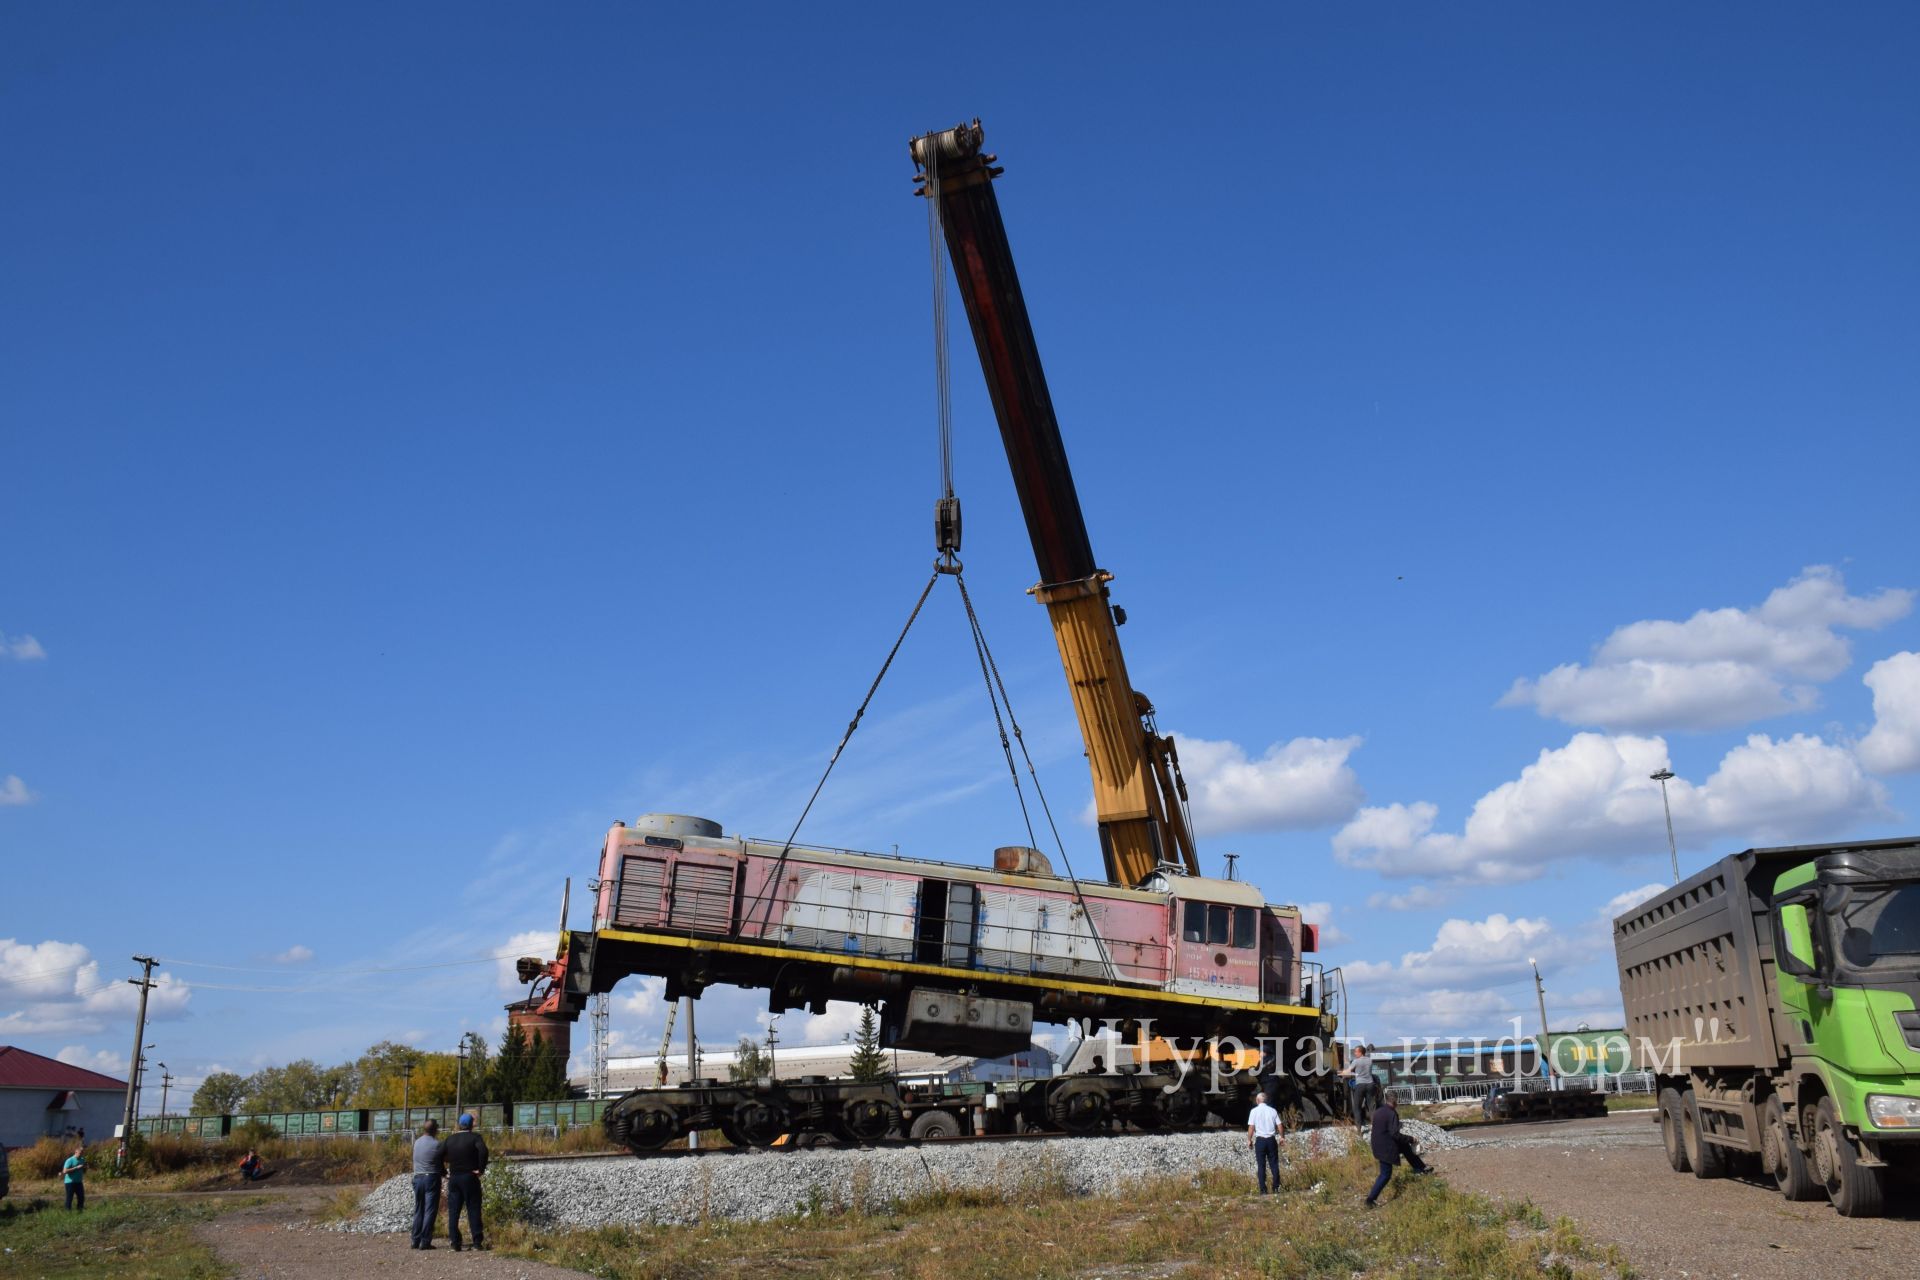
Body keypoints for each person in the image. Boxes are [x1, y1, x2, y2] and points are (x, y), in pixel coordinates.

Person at [1363, 1093, 1431, 1208]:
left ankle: (1420, 1168)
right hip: (1385, 1148)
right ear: (1395, 1102)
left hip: (1377, 1145)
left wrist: (1406, 1140)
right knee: (1385, 1174)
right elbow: (1394, 1134)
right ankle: (1370, 1200)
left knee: (1405, 1147)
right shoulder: (1392, 1113)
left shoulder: (1379, 1111)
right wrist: (1411, 1138)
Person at [443, 1112, 489, 1251]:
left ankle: (455, 1242)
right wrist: (480, 1169)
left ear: (459, 1125)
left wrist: (444, 1172)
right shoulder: (475, 1138)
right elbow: (484, 1151)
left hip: (454, 1178)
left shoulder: (450, 1139)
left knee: (454, 1211)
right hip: (470, 1177)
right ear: (471, 1125)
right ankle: (476, 1242)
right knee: (473, 1209)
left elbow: (438, 1154)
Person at [410, 1118, 445, 1250]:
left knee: (419, 1209)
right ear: (435, 1129)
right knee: (430, 1210)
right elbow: (440, 1162)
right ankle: (425, 1241)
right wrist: (445, 1173)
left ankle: (415, 1240)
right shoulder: (437, 1144)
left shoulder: (417, 1142)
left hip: (417, 1178)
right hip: (431, 1178)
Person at [1246, 1091, 1284, 1194]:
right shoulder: (1272, 1111)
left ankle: (1263, 1190)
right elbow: (1280, 1125)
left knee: (1261, 1165)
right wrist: (1281, 1137)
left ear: (1257, 1100)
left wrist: (1249, 1139)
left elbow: (1251, 1127)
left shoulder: (1254, 1111)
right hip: (1271, 1140)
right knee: (1274, 1164)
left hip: (1260, 1141)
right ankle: (1276, 1188)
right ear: (1266, 1101)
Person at [1340, 1043, 1377, 1131]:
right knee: (1371, 1107)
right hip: (1370, 1084)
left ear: (1360, 1052)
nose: (1355, 1053)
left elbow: (1348, 1071)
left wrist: (1341, 1072)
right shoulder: (1369, 1060)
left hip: (1360, 1085)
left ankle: (1359, 1130)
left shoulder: (1356, 1061)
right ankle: (1375, 1127)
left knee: (1357, 1107)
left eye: (1356, 1052)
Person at [61, 1143, 87, 1212]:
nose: (81, 1154)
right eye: (80, 1153)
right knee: (69, 1198)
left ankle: (80, 1211)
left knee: (81, 1197)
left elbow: (83, 1168)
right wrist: (76, 1168)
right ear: (76, 1152)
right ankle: (67, 1212)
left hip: (79, 1182)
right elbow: (64, 1171)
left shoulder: (82, 1159)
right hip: (70, 1182)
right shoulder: (70, 1160)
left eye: (82, 1153)